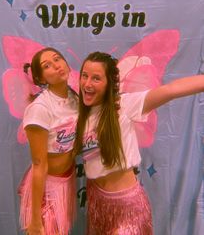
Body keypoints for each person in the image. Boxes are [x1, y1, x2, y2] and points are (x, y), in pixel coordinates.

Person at [74, 51, 204, 235]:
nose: (87, 84)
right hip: (97, 201)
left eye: (96, 78)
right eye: (84, 76)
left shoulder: (124, 105)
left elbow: (171, 90)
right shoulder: (82, 113)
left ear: (109, 83)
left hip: (127, 208)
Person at [18, 47, 78, 235]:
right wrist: (35, 220)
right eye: (47, 66)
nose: (56, 66)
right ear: (41, 79)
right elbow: (39, 164)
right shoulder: (40, 109)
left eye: (57, 59)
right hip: (46, 190)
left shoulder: (74, 98)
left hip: (66, 181)